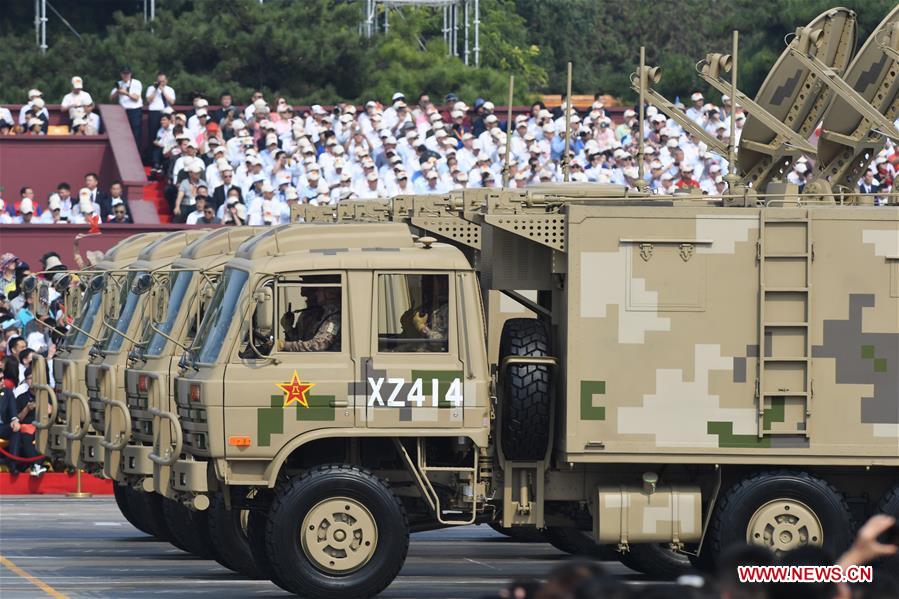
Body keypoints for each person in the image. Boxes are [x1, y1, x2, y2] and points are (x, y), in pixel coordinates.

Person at [278, 288, 340, 352]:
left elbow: (318, 345)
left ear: (330, 294)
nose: (316, 293)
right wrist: (288, 327)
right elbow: (302, 340)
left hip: (326, 360)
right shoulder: (321, 313)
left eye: (319, 290)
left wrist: (283, 345)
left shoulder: (334, 317)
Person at [110, 66, 143, 146]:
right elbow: (111, 98)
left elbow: (136, 98)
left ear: (130, 74)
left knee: (135, 133)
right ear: (121, 74)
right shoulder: (119, 83)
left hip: (134, 110)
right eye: (124, 74)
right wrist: (118, 91)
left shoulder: (136, 83)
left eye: (127, 74)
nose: (126, 76)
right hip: (122, 111)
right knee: (123, 132)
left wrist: (126, 93)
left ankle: (136, 152)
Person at [145, 71, 175, 159]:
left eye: (163, 81)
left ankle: (163, 157)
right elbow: (148, 100)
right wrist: (156, 89)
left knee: (166, 134)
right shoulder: (151, 88)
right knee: (154, 135)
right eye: (159, 81)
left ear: (166, 81)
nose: (161, 83)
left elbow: (172, 102)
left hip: (166, 112)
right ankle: (152, 158)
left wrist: (163, 91)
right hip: (154, 112)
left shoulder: (170, 89)